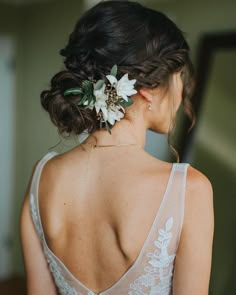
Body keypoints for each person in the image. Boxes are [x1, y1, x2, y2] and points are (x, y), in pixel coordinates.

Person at [20, 1, 214, 294]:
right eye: (180, 77)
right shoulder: (189, 189)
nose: (181, 94)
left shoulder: (42, 177)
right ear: (147, 91)